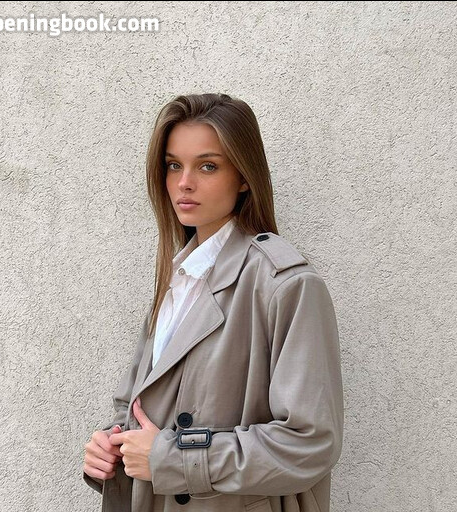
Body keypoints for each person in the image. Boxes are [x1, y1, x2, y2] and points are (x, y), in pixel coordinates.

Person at [83, 93, 344, 512]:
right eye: (173, 165)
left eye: (208, 166)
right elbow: (140, 407)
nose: (184, 183)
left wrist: (172, 459)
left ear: (244, 177)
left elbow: (309, 443)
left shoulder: (285, 286)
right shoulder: (177, 277)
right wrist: (111, 445)